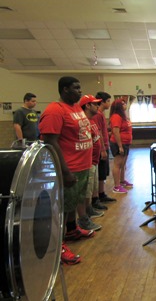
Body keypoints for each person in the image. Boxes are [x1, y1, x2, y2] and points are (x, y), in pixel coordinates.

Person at [39, 77, 95, 265]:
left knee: (74, 202)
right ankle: (58, 245)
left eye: (80, 87)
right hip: (68, 168)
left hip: (82, 166)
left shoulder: (76, 108)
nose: (80, 91)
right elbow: (50, 142)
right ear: (64, 90)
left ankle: (72, 230)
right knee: (62, 208)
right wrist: (65, 171)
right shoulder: (55, 110)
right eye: (75, 88)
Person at [78, 95, 104, 232]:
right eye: (95, 104)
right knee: (85, 190)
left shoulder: (92, 121)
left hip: (94, 160)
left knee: (91, 189)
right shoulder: (83, 121)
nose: (97, 106)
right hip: (86, 162)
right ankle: (83, 219)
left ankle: (89, 210)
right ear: (87, 106)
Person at [92, 91, 116, 206]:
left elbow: (103, 129)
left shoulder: (100, 114)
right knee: (99, 172)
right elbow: (98, 132)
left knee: (103, 172)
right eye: (108, 101)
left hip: (105, 145)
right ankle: (96, 197)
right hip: (101, 147)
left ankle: (101, 194)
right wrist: (102, 149)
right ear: (102, 101)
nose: (109, 103)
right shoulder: (97, 114)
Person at [109, 98, 133, 194]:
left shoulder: (123, 116)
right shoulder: (116, 116)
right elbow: (115, 131)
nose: (125, 105)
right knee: (117, 164)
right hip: (119, 143)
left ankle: (122, 181)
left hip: (126, 143)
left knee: (123, 164)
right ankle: (116, 186)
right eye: (122, 103)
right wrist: (120, 146)